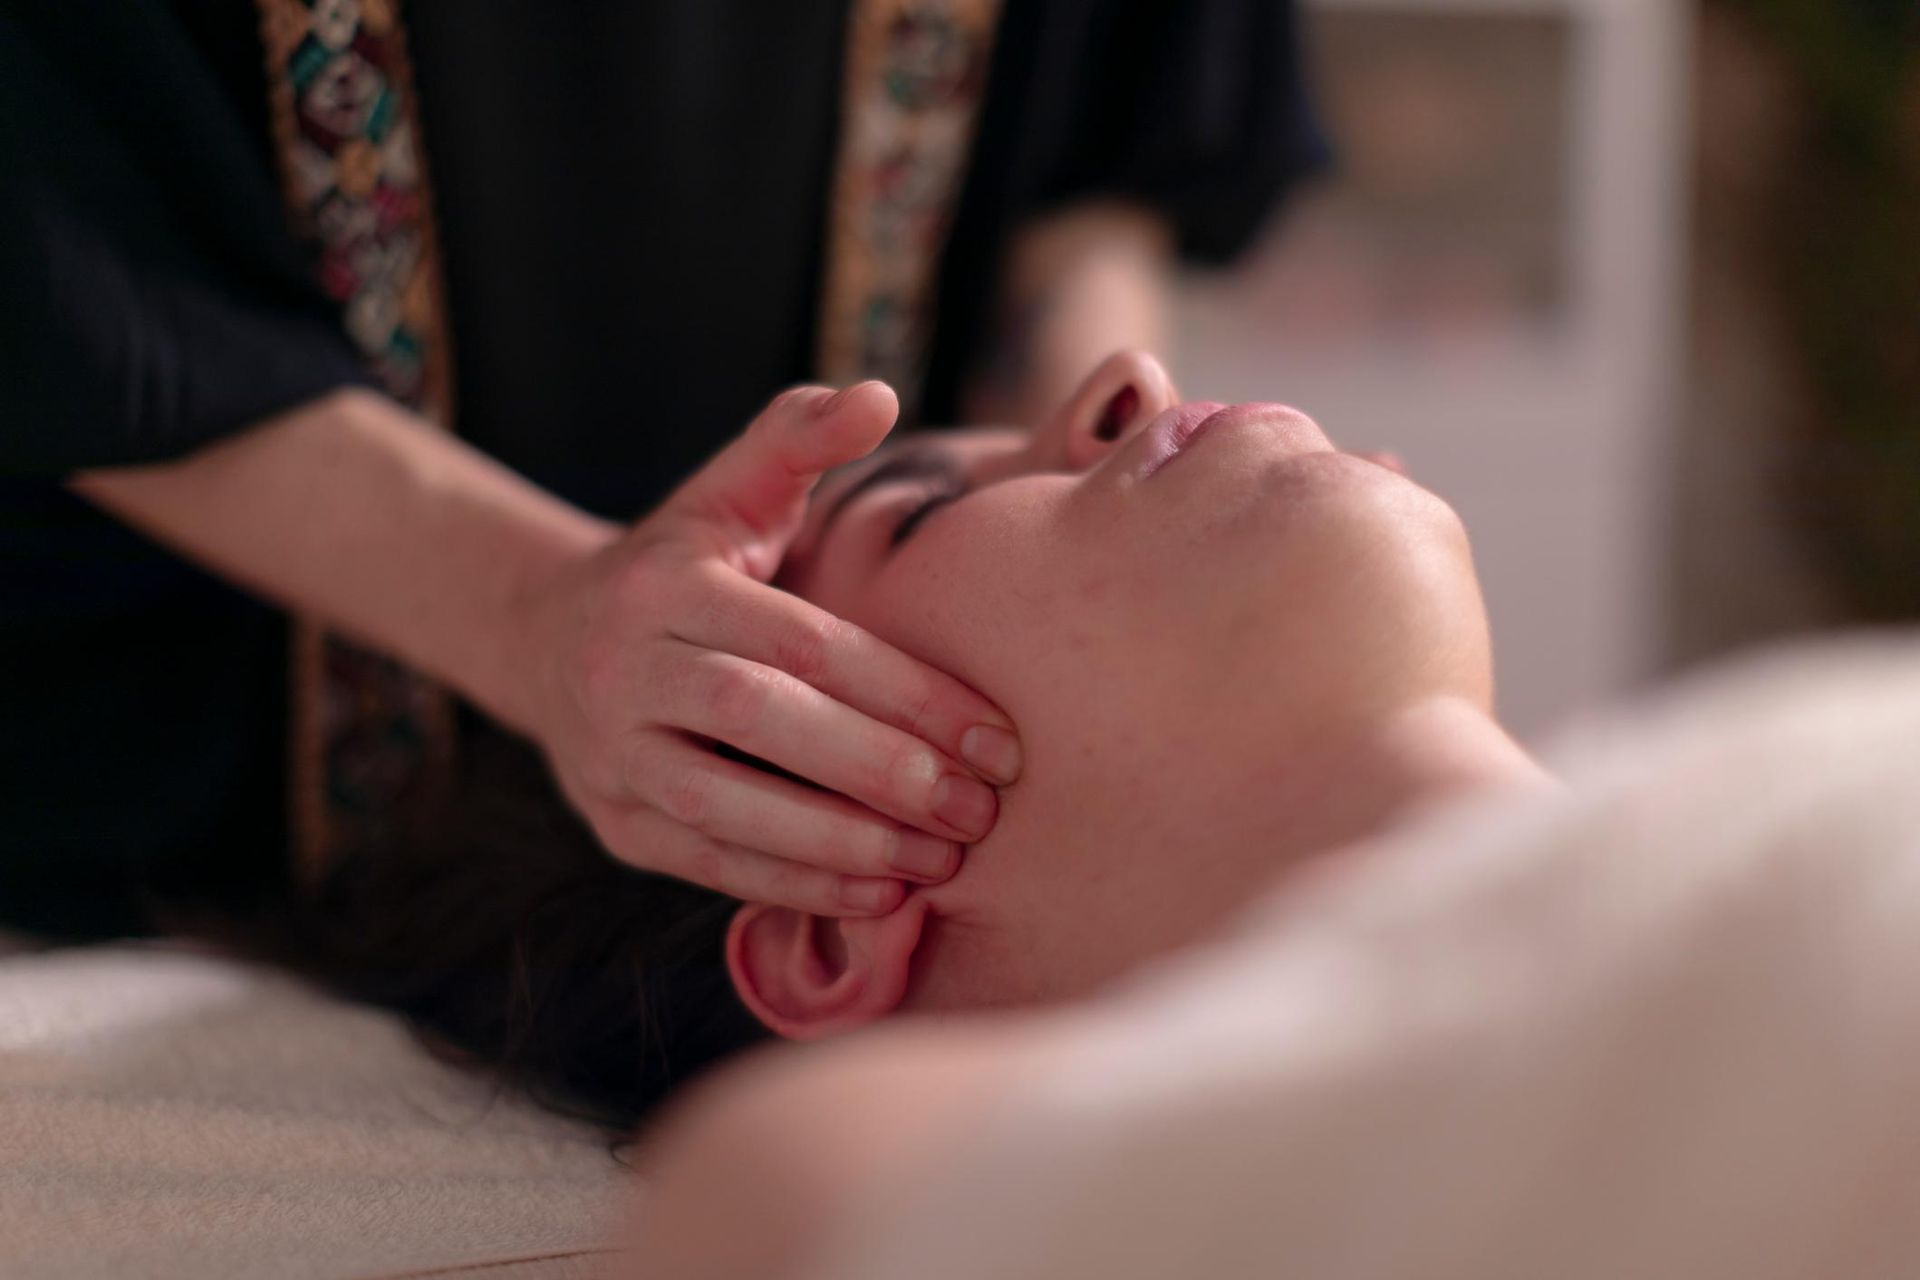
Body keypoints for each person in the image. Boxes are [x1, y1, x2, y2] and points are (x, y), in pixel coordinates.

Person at [0, 0, 1329, 938]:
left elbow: (1107, 127)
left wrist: (1121, 628)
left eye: (927, 492)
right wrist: (535, 609)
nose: (1138, 392)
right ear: (834, 956)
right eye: (907, 510)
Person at [233, 350, 1548, 1128]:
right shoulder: (805, 1206)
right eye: (912, 514)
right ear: (832, 922)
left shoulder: (1754, 810)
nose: (1126, 375)